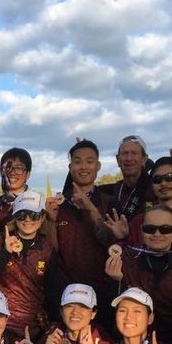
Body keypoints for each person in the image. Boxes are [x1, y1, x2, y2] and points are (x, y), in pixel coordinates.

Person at [46, 140, 127, 327]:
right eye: (78, 161)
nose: (83, 166)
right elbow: (53, 250)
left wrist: (91, 209)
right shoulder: (59, 203)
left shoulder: (109, 202)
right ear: (70, 166)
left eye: (89, 161)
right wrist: (50, 220)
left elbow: (111, 244)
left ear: (97, 166)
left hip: (102, 293)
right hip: (66, 294)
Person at [105, 204, 172, 344]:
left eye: (165, 229)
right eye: (149, 229)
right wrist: (117, 281)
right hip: (136, 337)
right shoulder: (128, 258)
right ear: (141, 231)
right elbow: (117, 306)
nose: (157, 234)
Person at [0, 190, 58, 339]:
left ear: (42, 218)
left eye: (34, 215)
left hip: (33, 328)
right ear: (14, 217)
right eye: (22, 214)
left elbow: (52, 291)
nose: (28, 219)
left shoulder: (47, 248)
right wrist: (6, 252)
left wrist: (53, 325)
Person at [107, 135, 155, 219]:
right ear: (118, 160)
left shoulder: (155, 189)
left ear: (144, 159)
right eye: (125, 153)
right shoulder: (110, 191)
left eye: (134, 153)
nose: (129, 158)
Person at [0, 147, 33, 226]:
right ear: (1, 172)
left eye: (19, 168)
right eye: (7, 167)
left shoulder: (34, 203)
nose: (12, 172)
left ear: (27, 174)